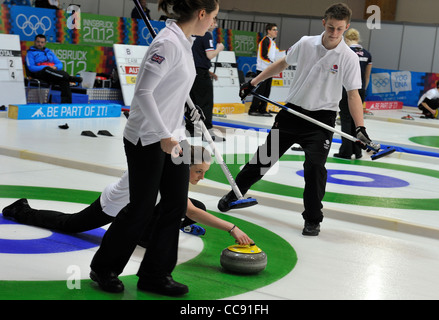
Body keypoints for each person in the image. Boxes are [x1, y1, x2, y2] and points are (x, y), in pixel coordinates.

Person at [89, 0, 220, 295]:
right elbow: (144, 92)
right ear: (201, 14)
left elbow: (170, 90)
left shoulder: (186, 42)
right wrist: (163, 133)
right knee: (141, 208)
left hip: (173, 136)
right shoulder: (167, 44)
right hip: (146, 137)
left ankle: (155, 275)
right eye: (213, 17)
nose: (214, 23)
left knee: (174, 205)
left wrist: (185, 117)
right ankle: (104, 268)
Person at [218, 3, 375, 237]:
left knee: (314, 168)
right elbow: (282, 63)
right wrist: (254, 82)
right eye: (331, 27)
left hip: (321, 120)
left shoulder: (348, 58)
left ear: (347, 27)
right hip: (291, 113)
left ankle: (313, 219)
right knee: (265, 157)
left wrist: (360, 127)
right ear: (324, 22)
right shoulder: (305, 43)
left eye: (339, 29)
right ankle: (235, 193)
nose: (334, 33)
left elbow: (353, 94)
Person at [2, 146, 253, 253]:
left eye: (204, 173)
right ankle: (21, 210)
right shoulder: (160, 174)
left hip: (142, 206)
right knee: (71, 225)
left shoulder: (171, 169)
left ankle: (167, 224)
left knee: (192, 205)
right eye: (198, 171)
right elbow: (193, 212)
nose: (200, 177)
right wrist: (232, 228)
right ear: (184, 166)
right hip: (112, 206)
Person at [334, 28, 372, 160]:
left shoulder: (346, 52)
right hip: (361, 89)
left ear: (346, 39)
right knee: (357, 121)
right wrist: (363, 90)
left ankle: (346, 151)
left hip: (347, 88)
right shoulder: (367, 54)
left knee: (345, 119)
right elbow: (367, 76)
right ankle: (358, 150)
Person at [186, 18, 225, 141]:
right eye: (214, 21)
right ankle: (207, 132)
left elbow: (196, 56)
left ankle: (191, 129)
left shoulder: (193, 34)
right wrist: (218, 49)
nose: (215, 25)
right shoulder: (207, 34)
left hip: (191, 72)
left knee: (192, 102)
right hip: (200, 74)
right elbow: (209, 55)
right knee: (206, 103)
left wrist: (208, 72)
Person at [26, 34, 82, 104]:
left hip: (51, 74)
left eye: (42, 42)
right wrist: (46, 67)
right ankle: (69, 77)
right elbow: (31, 67)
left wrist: (55, 67)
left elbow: (60, 64)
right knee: (47, 69)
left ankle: (66, 105)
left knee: (64, 81)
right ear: (34, 42)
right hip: (39, 74)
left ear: (45, 43)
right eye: (38, 42)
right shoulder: (30, 53)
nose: (40, 44)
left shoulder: (49, 52)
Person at [248, 23, 284, 117]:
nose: (276, 31)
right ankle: (253, 109)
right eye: (274, 29)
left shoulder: (272, 42)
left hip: (269, 70)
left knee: (266, 91)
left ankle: (262, 109)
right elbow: (263, 56)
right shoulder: (265, 40)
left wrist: (287, 53)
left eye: (276, 29)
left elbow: (277, 54)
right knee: (260, 90)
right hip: (263, 70)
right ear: (268, 31)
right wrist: (273, 64)